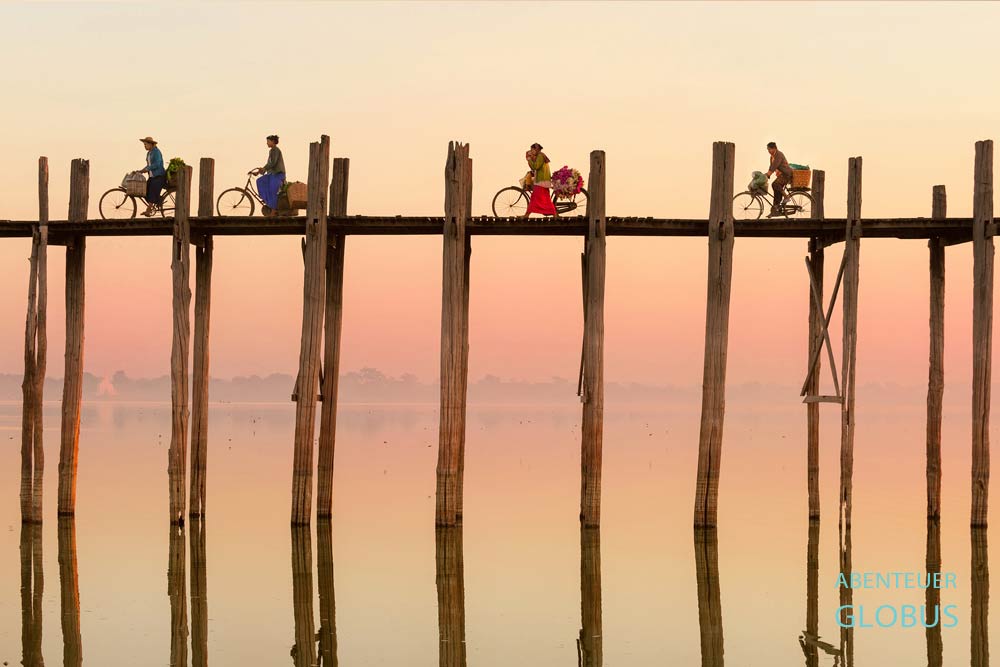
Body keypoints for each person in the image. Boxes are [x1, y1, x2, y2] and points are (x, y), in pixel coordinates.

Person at [522, 143, 558, 218]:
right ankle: (527, 214)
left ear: (536, 150)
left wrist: (529, 159)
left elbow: (535, 166)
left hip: (541, 181)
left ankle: (554, 214)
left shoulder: (540, 156)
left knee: (541, 199)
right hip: (541, 181)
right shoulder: (540, 156)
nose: (531, 151)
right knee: (536, 198)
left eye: (532, 150)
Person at [253, 135, 286, 215]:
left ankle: (273, 210)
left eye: (268, 141)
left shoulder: (275, 150)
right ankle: (269, 203)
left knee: (272, 191)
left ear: (273, 142)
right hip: (272, 174)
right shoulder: (271, 151)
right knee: (260, 181)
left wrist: (263, 169)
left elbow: (272, 163)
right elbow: (270, 164)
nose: (267, 143)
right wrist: (260, 171)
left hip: (278, 174)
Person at [138, 136, 165, 217]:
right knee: (145, 191)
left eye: (146, 144)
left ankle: (148, 210)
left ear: (150, 144)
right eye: (144, 145)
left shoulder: (157, 152)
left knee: (152, 192)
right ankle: (156, 201)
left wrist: (147, 169)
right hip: (152, 176)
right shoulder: (149, 153)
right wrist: (141, 170)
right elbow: (148, 165)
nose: (144, 146)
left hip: (159, 176)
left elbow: (157, 164)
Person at [764, 141, 792, 217]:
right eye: (768, 149)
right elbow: (772, 167)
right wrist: (767, 175)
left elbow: (774, 165)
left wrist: (768, 174)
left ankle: (786, 197)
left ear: (774, 148)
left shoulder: (779, 154)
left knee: (775, 184)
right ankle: (775, 208)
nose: (769, 151)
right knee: (776, 190)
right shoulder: (772, 157)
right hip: (781, 175)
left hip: (786, 174)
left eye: (770, 149)